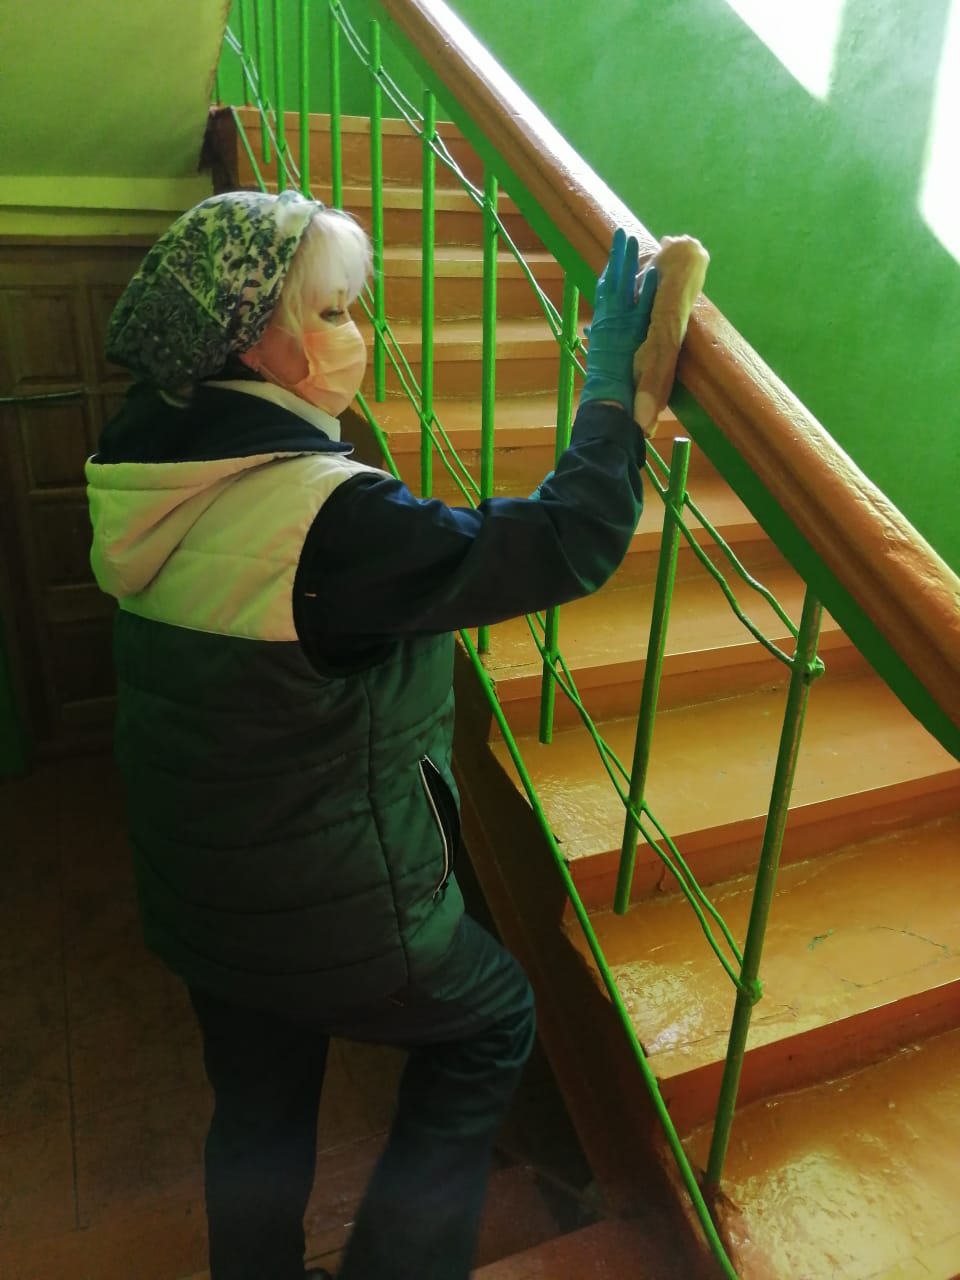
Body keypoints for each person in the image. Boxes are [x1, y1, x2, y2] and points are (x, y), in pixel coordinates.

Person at [85, 189, 657, 1280]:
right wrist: (609, 395)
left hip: (202, 893)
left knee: (258, 1108)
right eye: (335, 311)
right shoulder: (328, 518)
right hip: (325, 908)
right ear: (251, 342)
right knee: (492, 1019)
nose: (360, 333)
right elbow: (568, 540)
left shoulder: (146, 476)